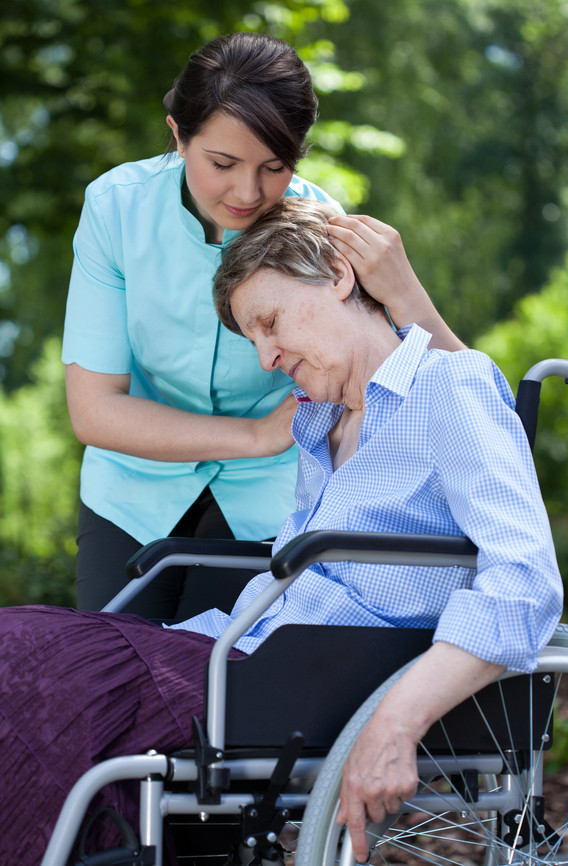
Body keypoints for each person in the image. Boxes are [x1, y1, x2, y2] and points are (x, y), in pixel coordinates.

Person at [0, 199, 561, 865]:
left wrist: (395, 721)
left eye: (268, 322)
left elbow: (524, 583)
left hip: (319, 677)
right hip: (246, 657)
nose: (265, 357)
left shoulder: (449, 387)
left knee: (28, 665)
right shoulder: (319, 423)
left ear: (336, 275)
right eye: (253, 339)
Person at [63, 31, 464, 620]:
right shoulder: (113, 210)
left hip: (274, 500)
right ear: (178, 134)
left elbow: (462, 392)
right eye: (222, 163)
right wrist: (255, 436)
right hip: (130, 490)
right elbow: (94, 411)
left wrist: (407, 293)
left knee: (223, 686)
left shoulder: (321, 232)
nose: (248, 193)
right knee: (111, 676)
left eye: (275, 167)